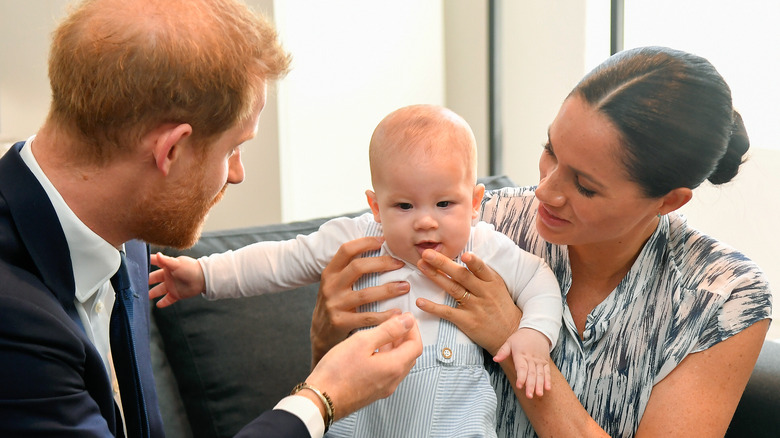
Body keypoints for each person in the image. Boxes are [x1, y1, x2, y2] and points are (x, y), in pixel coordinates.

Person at [0, 0, 422, 437]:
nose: (237, 174)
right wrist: (321, 399)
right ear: (171, 151)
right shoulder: (13, 318)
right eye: (233, 148)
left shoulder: (126, 233)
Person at [309, 46, 773, 437]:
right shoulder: (475, 223)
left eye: (585, 186)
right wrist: (326, 334)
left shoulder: (723, 298)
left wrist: (513, 338)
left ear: (669, 201)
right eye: (550, 150)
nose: (546, 191)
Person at [149, 104, 563, 437]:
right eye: (404, 206)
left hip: (456, 423)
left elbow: (539, 281)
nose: (425, 221)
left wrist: (532, 335)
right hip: (363, 419)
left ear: (474, 202)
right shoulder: (356, 239)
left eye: (444, 204)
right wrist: (203, 275)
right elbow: (280, 260)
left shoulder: (484, 245)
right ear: (375, 205)